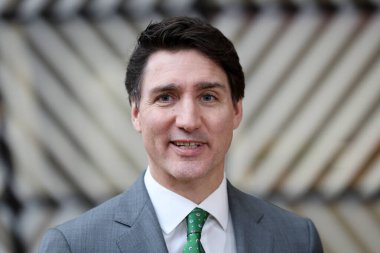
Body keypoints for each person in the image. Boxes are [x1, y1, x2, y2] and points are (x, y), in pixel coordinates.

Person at [39, 16, 323, 253]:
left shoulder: (298, 239)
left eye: (208, 97)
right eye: (165, 97)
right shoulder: (73, 246)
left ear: (237, 110)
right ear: (136, 113)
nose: (188, 121)